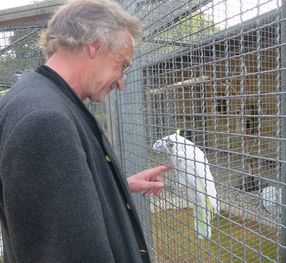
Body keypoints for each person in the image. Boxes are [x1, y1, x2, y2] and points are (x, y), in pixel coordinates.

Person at [0, 0, 170, 262]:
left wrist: (119, 186)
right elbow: (66, 250)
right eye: (122, 65)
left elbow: (52, 209)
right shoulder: (46, 120)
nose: (123, 82)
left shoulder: (41, 99)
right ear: (95, 46)